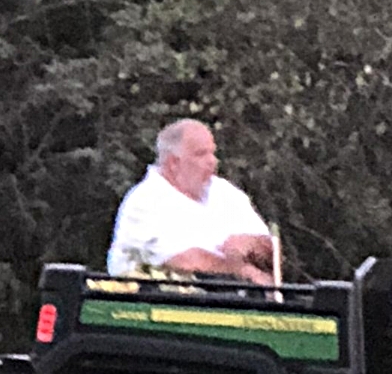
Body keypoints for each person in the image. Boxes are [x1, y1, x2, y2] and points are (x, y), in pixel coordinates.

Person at [106, 119, 274, 284]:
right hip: (151, 305)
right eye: (201, 154)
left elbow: (272, 253)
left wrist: (252, 245)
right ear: (173, 163)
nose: (212, 161)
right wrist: (244, 271)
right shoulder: (145, 201)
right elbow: (186, 262)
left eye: (213, 153)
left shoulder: (226, 193)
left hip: (232, 303)